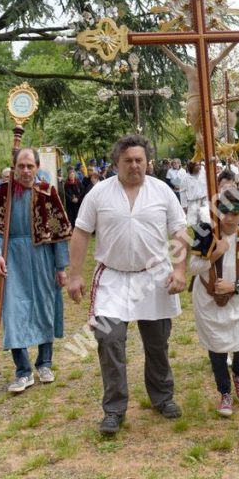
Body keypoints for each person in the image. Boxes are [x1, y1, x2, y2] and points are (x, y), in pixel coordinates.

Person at [66, 134, 187, 435]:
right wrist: (75, 275)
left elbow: (180, 232)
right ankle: (114, 409)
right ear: (116, 162)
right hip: (113, 278)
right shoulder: (98, 193)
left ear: (148, 162)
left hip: (155, 277)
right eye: (128, 160)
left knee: (157, 343)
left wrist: (180, 271)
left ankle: (163, 397)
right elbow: (81, 233)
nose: (134, 165)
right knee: (110, 341)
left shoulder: (162, 192)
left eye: (140, 160)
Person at [0, 147, 72, 394]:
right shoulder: (3, 193)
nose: (25, 171)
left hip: (43, 257)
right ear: (14, 167)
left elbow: (59, 235)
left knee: (45, 308)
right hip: (13, 258)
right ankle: (22, 371)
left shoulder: (47, 192)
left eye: (29, 166)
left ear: (36, 167)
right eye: (20, 166)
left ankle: (44, 363)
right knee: (14, 312)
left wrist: (61, 267)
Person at [188, 189, 239, 416]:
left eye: (235, 213)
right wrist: (215, 253)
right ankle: (224, 392)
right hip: (208, 300)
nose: (229, 217)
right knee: (217, 347)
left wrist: (234, 286)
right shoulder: (205, 233)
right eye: (224, 211)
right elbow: (192, 267)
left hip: (237, 300)